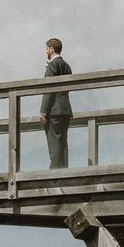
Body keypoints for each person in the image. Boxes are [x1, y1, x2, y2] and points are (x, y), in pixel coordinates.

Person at [40, 38, 73, 169]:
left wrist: (43, 111)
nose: (46, 52)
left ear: (52, 49)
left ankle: (54, 175)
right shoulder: (67, 66)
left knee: (54, 146)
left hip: (53, 110)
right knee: (63, 144)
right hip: (65, 109)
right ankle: (64, 172)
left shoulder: (52, 65)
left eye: (47, 49)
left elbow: (48, 89)